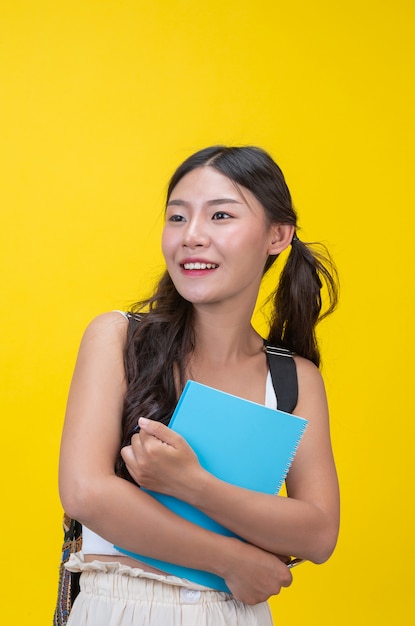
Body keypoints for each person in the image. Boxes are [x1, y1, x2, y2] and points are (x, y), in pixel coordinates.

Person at [58, 145, 340, 626]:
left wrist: (194, 484)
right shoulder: (119, 339)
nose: (191, 237)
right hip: (121, 607)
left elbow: (317, 532)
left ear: (278, 235)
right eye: (177, 217)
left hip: (237, 614)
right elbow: (87, 493)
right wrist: (231, 560)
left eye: (221, 216)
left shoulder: (291, 379)